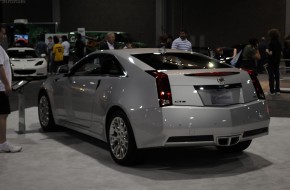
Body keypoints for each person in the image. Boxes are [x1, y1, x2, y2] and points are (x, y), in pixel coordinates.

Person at [0, 26, 22, 153]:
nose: (4, 36)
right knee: (3, 115)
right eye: (2, 33)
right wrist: (7, 85)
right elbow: (0, 68)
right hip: (1, 88)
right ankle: (3, 143)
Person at [266, 28, 282, 95]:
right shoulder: (279, 43)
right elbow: (280, 53)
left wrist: (266, 50)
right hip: (277, 61)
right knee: (277, 76)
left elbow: (271, 53)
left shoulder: (271, 43)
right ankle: (278, 90)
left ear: (271, 35)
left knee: (271, 76)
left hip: (271, 62)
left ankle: (272, 91)